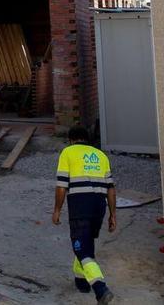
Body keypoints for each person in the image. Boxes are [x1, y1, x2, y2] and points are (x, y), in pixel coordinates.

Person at [52, 126, 116, 304]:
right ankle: (81, 282)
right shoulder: (101, 156)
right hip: (99, 206)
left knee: (81, 248)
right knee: (86, 242)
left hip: (81, 206)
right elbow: (111, 188)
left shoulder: (68, 152)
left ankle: (100, 288)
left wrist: (57, 209)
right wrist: (113, 215)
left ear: (71, 140)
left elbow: (61, 185)